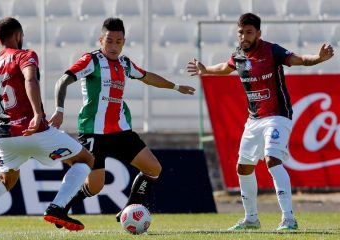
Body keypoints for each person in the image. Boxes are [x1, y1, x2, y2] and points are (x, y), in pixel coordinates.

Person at [187, 13, 334, 231]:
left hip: (277, 115)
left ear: (258, 33)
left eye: (248, 32)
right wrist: (205, 69)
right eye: (241, 33)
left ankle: (288, 219)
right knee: (243, 168)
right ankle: (251, 219)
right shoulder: (238, 56)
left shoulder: (271, 51)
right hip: (254, 119)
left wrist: (318, 58)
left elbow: (299, 59)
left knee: (272, 160)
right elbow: (225, 68)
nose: (244, 37)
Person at [0, 17, 94, 240]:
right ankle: (57, 207)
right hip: (35, 131)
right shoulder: (25, 55)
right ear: (19, 36)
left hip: (6, 140)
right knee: (85, 160)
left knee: (5, 181)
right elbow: (30, 80)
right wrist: (38, 114)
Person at [48, 17, 195, 226]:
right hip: (93, 132)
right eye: (109, 40)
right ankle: (62, 208)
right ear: (101, 40)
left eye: (118, 41)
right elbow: (63, 80)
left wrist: (175, 87)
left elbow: (146, 76)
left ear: (123, 42)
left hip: (121, 132)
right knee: (96, 186)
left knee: (154, 168)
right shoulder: (92, 60)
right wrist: (59, 110)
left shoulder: (125, 63)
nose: (114, 46)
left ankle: (129, 208)